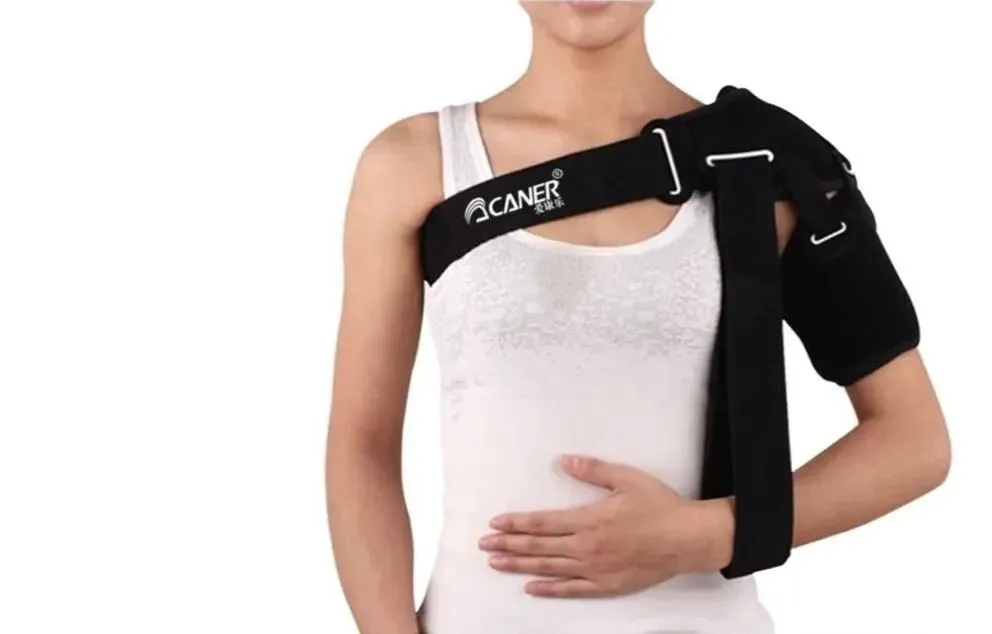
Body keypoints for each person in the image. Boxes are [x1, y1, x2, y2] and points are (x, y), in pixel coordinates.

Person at [327, 2, 950, 633]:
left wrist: (709, 534)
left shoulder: (766, 162)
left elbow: (914, 439)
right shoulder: (414, 163)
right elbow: (362, 445)